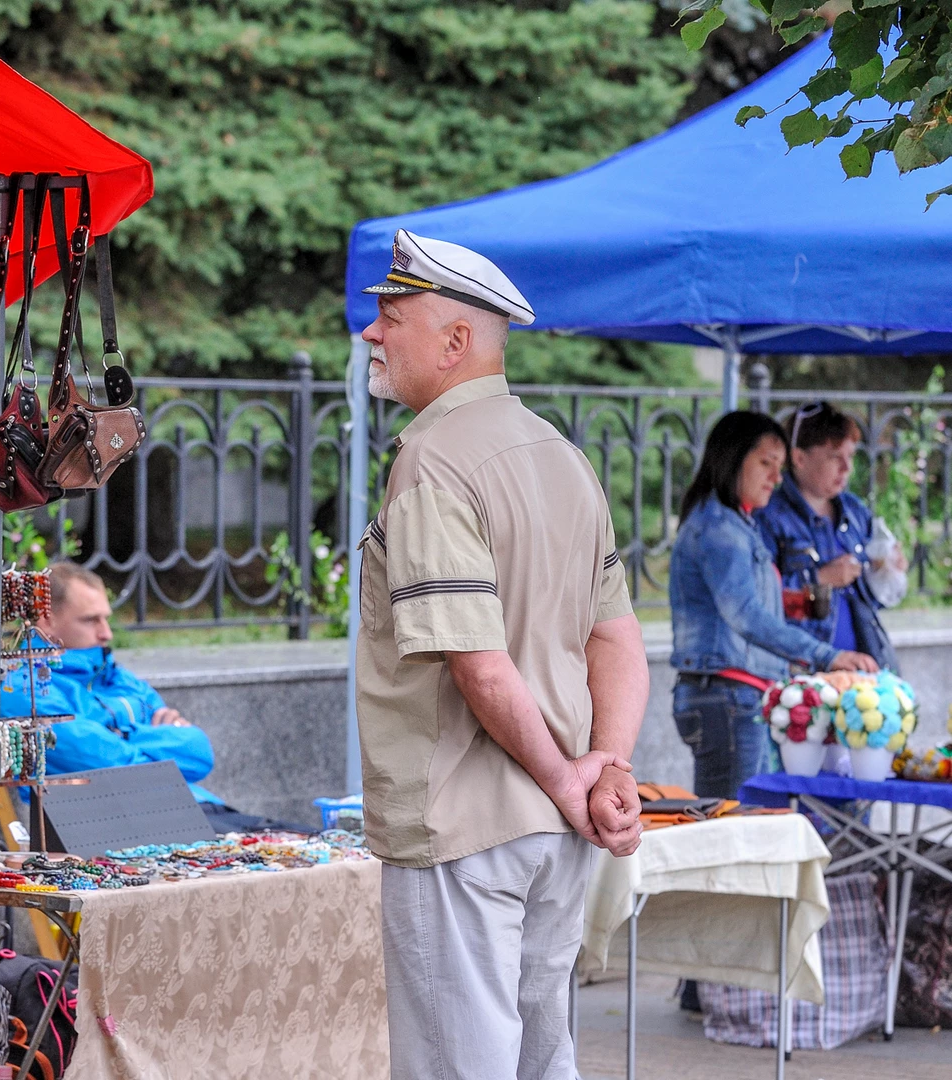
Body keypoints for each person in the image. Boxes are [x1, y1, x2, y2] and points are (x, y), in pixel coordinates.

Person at [355, 228, 649, 1080]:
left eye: (392, 316)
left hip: (465, 822)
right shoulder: (561, 455)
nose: (371, 332)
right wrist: (604, 771)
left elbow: (477, 663)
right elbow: (616, 638)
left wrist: (572, 779)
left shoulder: (433, 459)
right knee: (541, 1059)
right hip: (553, 828)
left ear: (455, 341)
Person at [669, 411, 878, 801]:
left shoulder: (737, 522)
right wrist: (827, 655)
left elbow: (743, 604)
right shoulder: (720, 528)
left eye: (779, 467)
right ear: (732, 458)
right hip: (728, 696)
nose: (776, 478)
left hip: (738, 696)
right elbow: (745, 615)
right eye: (766, 463)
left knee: (747, 819)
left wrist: (792, 603)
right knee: (733, 823)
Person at [1, 562, 294, 832]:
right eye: (91, 620)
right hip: (112, 826)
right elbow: (103, 763)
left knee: (305, 840)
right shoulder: (24, 688)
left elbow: (198, 752)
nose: (106, 633)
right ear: (47, 620)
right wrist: (154, 737)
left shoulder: (115, 676)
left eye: (106, 619)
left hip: (193, 807)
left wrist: (114, 735)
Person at [756, 401, 900, 671]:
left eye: (851, 456)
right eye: (834, 457)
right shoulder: (769, 516)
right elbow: (759, 603)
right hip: (801, 670)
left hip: (863, 665)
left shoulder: (855, 512)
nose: (847, 468)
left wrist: (886, 571)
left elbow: (873, 600)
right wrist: (820, 579)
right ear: (799, 458)